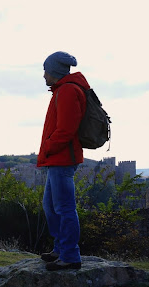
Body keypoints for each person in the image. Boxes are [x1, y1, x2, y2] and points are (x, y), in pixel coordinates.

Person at [38, 51, 90, 271]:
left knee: (64, 208)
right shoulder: (62, 90)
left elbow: (67, 130)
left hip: (62, 159)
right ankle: (61, 248)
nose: (44, 76)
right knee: (50, 206)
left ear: (55, 71)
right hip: (57, 159)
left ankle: (69, 255)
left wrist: (48, 146)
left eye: (46, 71)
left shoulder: (68, 91)